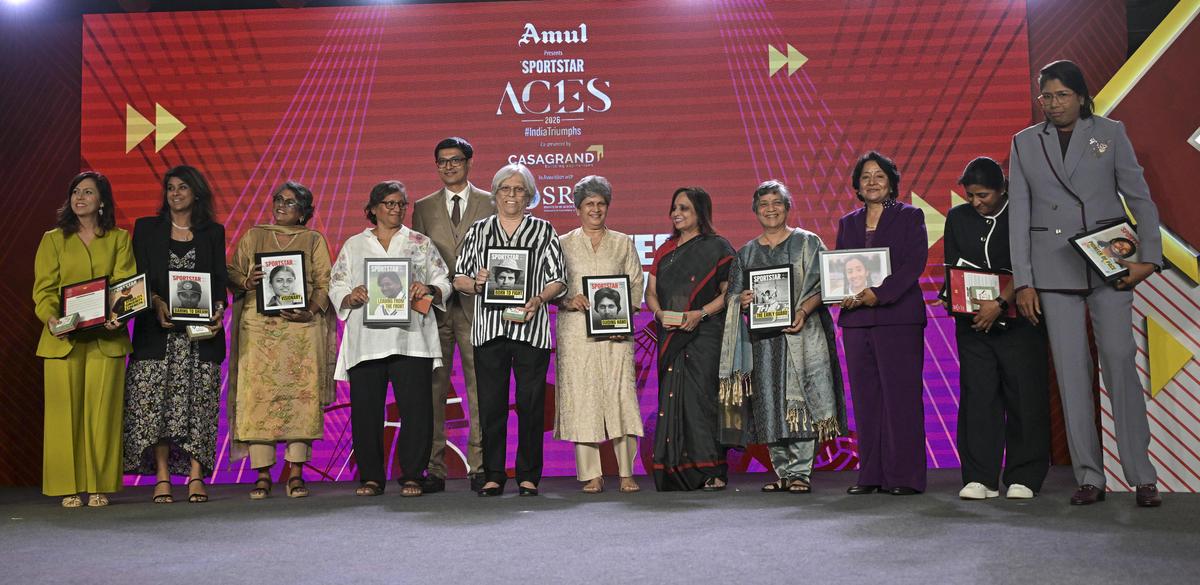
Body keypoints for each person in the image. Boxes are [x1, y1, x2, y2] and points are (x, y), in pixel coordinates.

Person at [1008, 60, 1164, 507]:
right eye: (1045, 96)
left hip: (1107, 266)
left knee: (1120, 364)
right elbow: (1019, 213)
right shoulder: (1023, 143)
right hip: (1051, 269)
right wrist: (1024, 281)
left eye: (1061, 95)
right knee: (1072, 375)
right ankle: (1090, 477)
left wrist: (1148, 259)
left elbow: (1139, 197)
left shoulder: (1110, 133)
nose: (1053, 104)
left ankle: (1142, 475)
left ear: (1080, 95)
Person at [720, 180, 847, 494]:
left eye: (777, 203)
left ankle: (801, 472)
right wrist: (742, 300)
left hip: (801, 336)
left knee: (800, 402)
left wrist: (803, 310)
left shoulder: (808, 242)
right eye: (764, 204)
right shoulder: (746, 252)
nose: (771, 209)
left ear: (787, 207)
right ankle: (782, 471)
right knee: (769, 405)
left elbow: (826, 285)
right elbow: (731, 296)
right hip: (763, 343)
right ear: (755, 211)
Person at [330, 180, 451, 497]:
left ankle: (412, 474)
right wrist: (350, 296)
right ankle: (371, 477)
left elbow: (442, 280)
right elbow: (336, 285)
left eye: (401, 204)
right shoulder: (354, 245)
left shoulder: (419, 243)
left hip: (411, 338)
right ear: (372, 209)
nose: (396, 209)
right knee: (366, 412)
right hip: (366, 341)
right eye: (389, 203)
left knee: (416, 410)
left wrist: (429, 290)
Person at [453, 164, 565, 497]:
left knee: (531, 404)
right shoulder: (479, 230)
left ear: (529, 196)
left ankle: (529, 475)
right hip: (489, 331)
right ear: (495, 193)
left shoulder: (544, 230)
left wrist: (539, 298)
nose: (512, 195)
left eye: (519, 189)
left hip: (531, 331)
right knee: (490, 405)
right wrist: (476, 283)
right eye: (505, 189)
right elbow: (458, 277)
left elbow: (558, 279)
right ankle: (493, 474)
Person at [944, 157, 1050, 500]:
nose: (975, 202)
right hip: (974, 325)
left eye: (983, 195)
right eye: (970, 195)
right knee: (978, 398)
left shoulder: (1023, 214)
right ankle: (980, 477)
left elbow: (1031, 263)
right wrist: (953, 297)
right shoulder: (957, 218)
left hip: (1020, 322)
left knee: (1024, 397)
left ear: (1003, 189)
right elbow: (953, 266)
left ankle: (1025, 475)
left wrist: (1001, 304)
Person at [124, 165, 228, 504]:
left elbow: (218, 282)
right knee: (156, 407)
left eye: (183, 187)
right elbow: (138, 280)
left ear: (196, 193)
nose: (175, 193)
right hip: (158, 334)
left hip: (199, 339)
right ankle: (163, 476)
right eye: (170, 187)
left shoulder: (212, 232)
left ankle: (196, 476)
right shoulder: (146, 229)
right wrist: (154, 302)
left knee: (199, 406)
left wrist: (218, 310)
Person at [227, 181, 335, 500]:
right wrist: (247, 280)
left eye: (290, 202)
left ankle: (296, 473)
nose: (281, 206)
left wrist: (311, 309)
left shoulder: (313, 239)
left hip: (301, 329)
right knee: (258, 398)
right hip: (259, 331)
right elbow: (232, 272)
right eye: (278, 200)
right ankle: (262, 474)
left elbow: (325, 281)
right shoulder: (254, 235)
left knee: (299, 398)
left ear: (304, 212)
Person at [33, 171, 135, 508]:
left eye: (88, 192)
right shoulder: (52, 239)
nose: (80, 197)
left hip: (107, 338)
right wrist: (50, 318)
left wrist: (117, 314)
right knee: (65, 416)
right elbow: (44, 290)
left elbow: (124, 283)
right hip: (63, 340)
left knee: (102, 414)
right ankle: (69, 486)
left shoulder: (119, 238)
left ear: (102, 201)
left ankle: (98, 485)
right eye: (76, 191)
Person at [837, 151, 929, 496]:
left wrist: (880, 293)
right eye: (865, 177)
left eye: (879, 176)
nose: (872, 182)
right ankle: (870, 475)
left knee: (901, 398)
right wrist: (842, 294)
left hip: (898, 318)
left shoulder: (910, 216)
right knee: (866, 400)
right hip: (857, 322)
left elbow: (913, 263)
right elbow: (840, 270)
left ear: (891, 182)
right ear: (857, 186)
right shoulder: (848, 223)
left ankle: (904, 477)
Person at [410, 136, 494, 493]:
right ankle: (434, 467)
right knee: (433, 389)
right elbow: (416, 260)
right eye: (441, 161)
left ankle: (480, 465)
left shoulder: (492, 202)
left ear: (469, 162)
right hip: (436, 310)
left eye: (455, 160)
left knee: (481, 389)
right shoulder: (423, 206)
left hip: (480, 307)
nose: (448, 166)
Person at [554, 175, 645, 494]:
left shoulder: (622, 242)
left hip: (616, 335)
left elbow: (635, 284)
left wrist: (625, 318)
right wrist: (567, 299)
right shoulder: (563, 243)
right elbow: (553, 286)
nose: (595, 209)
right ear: (577, 208)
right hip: (576, 333)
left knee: (621, 397)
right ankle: (591, 474)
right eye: (589, 204)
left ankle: (625, 472)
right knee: (583, 399)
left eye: (601, 204)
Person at [645, 187, 735, 491]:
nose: (677, 214)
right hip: (670, 334)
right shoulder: (665, 249)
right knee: (671, 400)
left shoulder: (717, 247)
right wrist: (658, 315)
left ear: (700, 213)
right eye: (674, 208)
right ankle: (673, 469)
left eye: (684, 208)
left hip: (705, 334)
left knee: (702, 401)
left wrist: (700, 313)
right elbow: (651, 292)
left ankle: (712, 470)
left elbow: (729, 293)